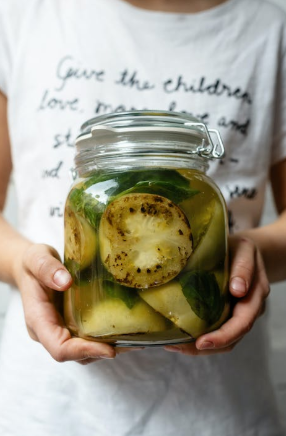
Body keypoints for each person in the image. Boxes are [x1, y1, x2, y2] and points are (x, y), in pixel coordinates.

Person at [0, 0, 285, 434]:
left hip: (219, 413)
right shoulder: (20, 15)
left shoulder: (274, 28)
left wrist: (251, 252)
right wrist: (22, 264)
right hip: (48, 410)